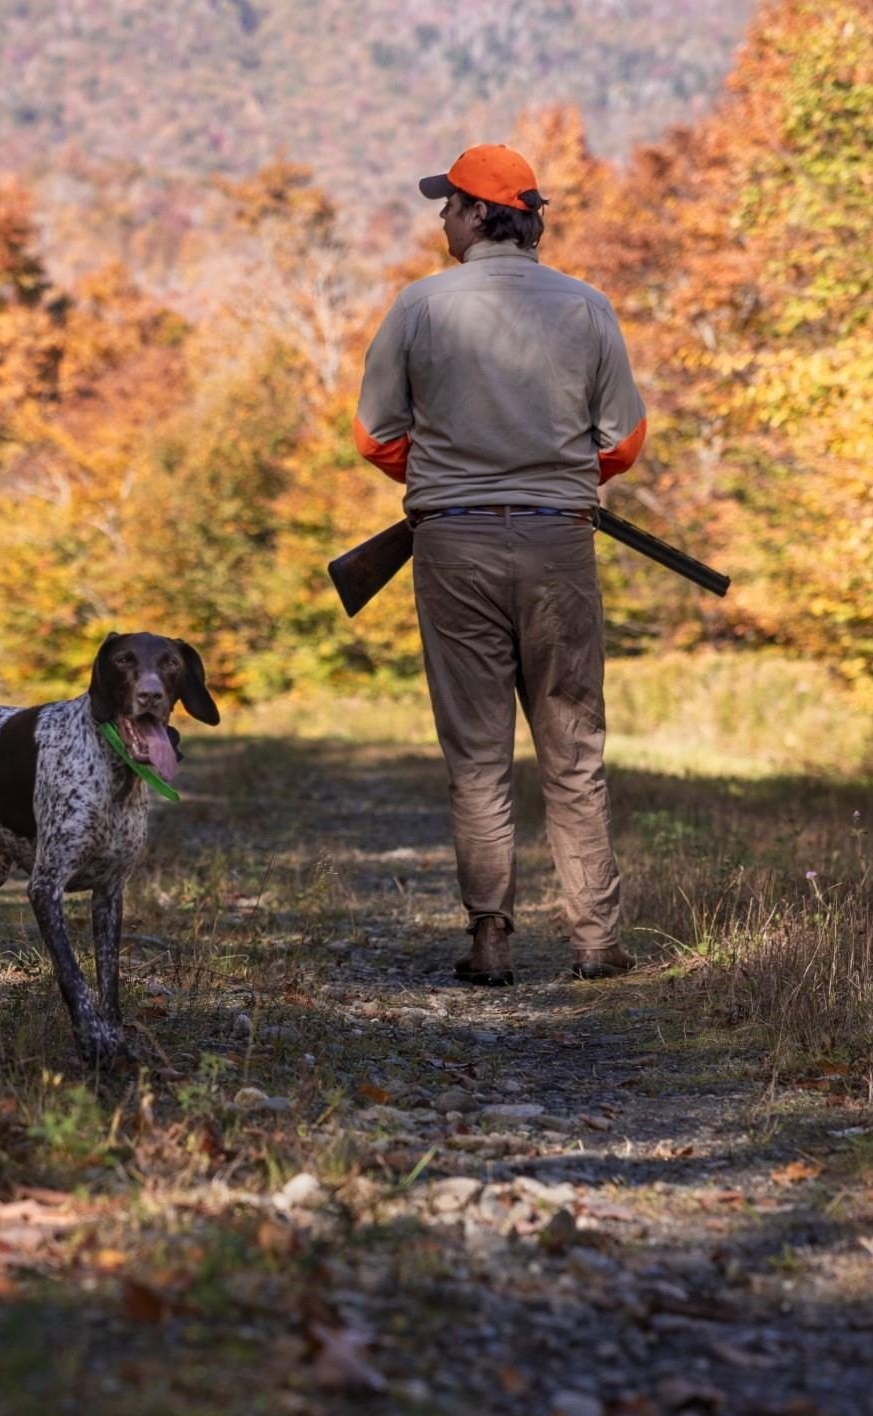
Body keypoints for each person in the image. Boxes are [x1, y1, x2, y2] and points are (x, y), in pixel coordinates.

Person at [352, 143, 647, 986]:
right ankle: (597, 942)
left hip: (453, 546)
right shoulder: (588, 306)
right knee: (574, 746)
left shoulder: (419, 306)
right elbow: (621, 440)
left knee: (478, 754)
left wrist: (451, 478)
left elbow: (375, 435)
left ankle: (491, 941)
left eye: (449, 205)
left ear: (483, 214)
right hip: (560, 543)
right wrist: (550, 478)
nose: (441, 218)